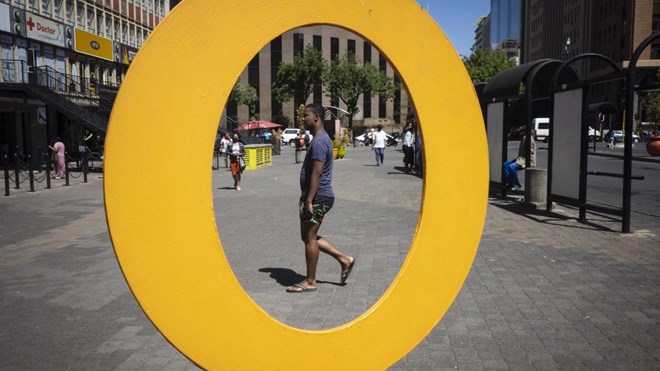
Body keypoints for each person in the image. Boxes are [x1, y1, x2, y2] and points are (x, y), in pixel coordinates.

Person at [287, 103, 355, 293]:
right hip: (317, 196)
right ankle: (345, 260)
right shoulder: (320, 139)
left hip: (318, 197)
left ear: (316, 117)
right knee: (308, 237)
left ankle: (310, 281)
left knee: (309, 238)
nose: (302, 118)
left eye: (305, 115)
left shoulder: (319, 142)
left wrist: (309, 200)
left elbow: (316, 173)